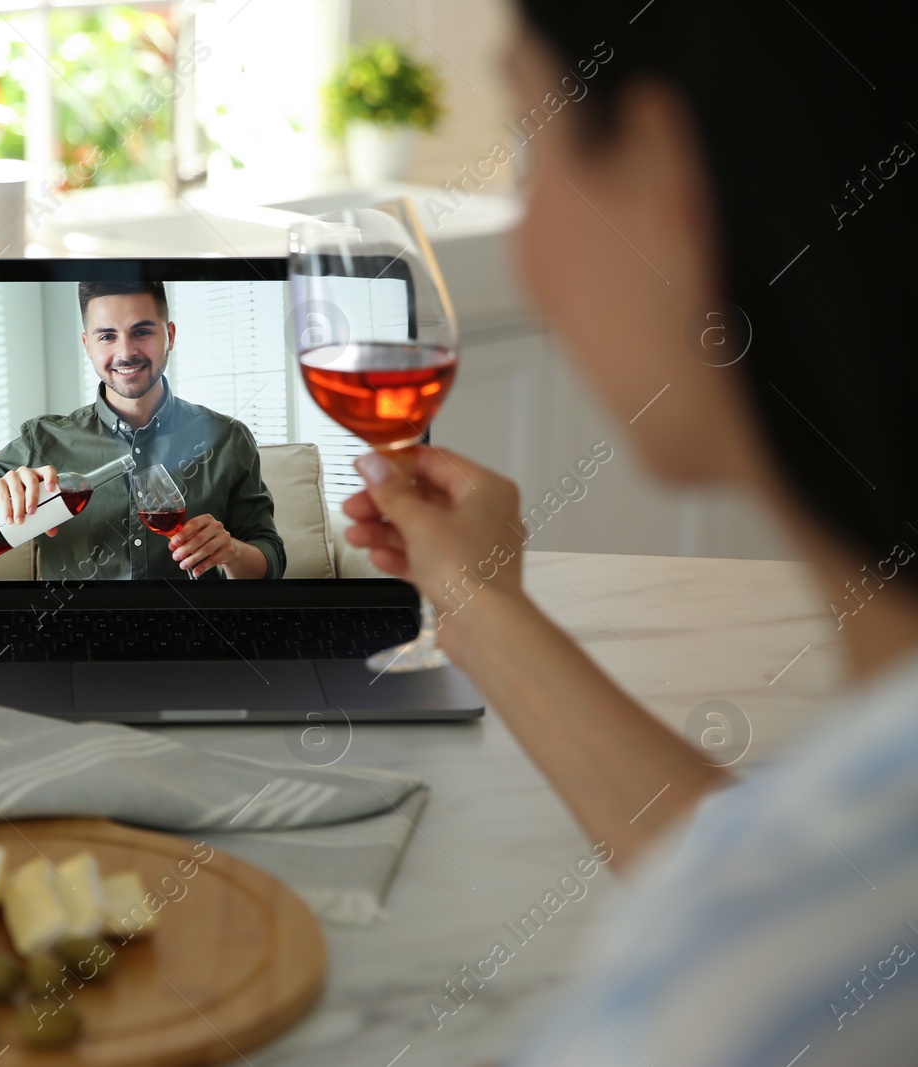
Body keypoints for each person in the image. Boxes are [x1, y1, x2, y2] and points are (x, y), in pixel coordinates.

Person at [343, 1, 918, 1062]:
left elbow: (772, 935)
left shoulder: (716, 1003)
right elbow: (770, 870)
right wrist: (478, 599)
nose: (523, 251)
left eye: (528, 147)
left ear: (662, 181)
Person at [0, 280, 285, 580]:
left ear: (170, 336)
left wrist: (232, 553)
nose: (126, 352)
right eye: (107, 336)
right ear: (87, 345)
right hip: (72, 636)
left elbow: (270, 560)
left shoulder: (228, 438)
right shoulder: (42, 440)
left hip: (199, 630)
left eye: (142, 331)